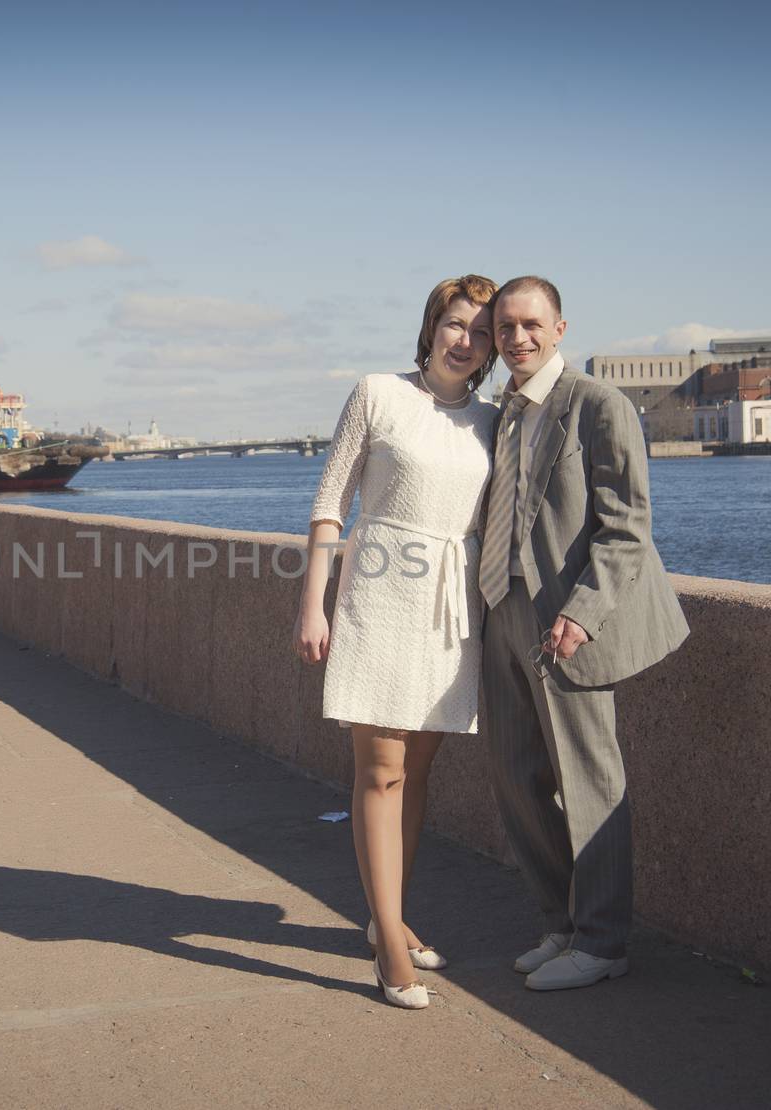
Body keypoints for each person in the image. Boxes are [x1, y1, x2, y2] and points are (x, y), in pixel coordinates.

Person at [477, 276, 689, 991]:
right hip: (500, 608)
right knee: (515, 778)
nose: (518, 338)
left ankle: (601, 942)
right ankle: (561, 925)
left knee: (591, 780)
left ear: (561, 327)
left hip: (566, 619)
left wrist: (582, 614)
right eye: (505, 327)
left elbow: (627, 525)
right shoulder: (505, 409)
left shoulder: (599, 404)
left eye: (531, 324)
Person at [295, 276, 499, 1009]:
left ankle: (393, 915)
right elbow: (329, 502)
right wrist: (312, 605)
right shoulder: (376, 393)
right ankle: (386, 942)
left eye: (480, 331)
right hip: (379, 593)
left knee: (415, 772)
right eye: (453, 323)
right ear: (430, 326)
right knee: (379, 771)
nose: (464, 340)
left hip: (452, 607)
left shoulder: (493, 419)